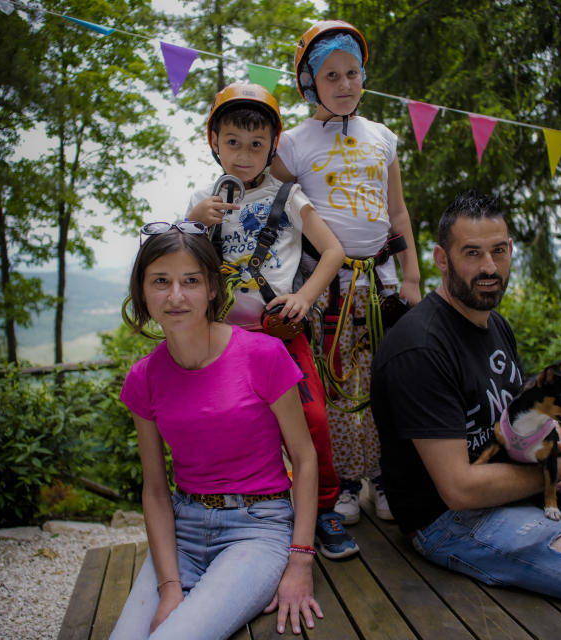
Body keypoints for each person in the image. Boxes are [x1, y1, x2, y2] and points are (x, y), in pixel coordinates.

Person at [370, 191, 561, 640]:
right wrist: (556, 471)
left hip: (513, 483)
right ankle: (555, 555)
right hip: (450, 522)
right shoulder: (421, 348)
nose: (489, 268)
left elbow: (519, 416)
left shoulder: (494, 323)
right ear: (441, 258)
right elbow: (459, 489)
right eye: (472, 253)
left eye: (499, 251)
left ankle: (555, 557)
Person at [109, 225, 322, 639]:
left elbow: (305, 457)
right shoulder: (144, 378)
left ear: (211, 288)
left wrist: (300, 561)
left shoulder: (263, 355)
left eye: (190, 281)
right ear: (142, 292)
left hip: (258, 528)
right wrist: (169, 588)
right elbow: (155, 489)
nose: (175, 296)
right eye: (160, 282)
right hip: (182, 531)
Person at [185, 82, 358, 560]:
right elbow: (178, 262)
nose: (244, 155)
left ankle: (323, 507)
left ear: (272, 146)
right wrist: (196, 220)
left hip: (281, 335)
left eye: (256, 144)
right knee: (232, 426)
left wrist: (305, 296)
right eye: (233, 143)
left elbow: (333, 250)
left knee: (313, 419)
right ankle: (245, 511)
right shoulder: (204, 199)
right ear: (214, 141)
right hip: (225, 340)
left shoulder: (290, 194)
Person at [271, 20, 422, 525]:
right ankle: (338, 484)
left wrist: (413, 278)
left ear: (363, 76)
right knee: (332, 386)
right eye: (330, 75)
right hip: (324, 290)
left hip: (378, 289)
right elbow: (265, 199)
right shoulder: (293, 144)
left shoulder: (383, 138)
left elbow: (397, 215)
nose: (344, 84)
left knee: (384, 381)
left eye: (352, 73)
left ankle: (382, 476)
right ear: (309, 82)